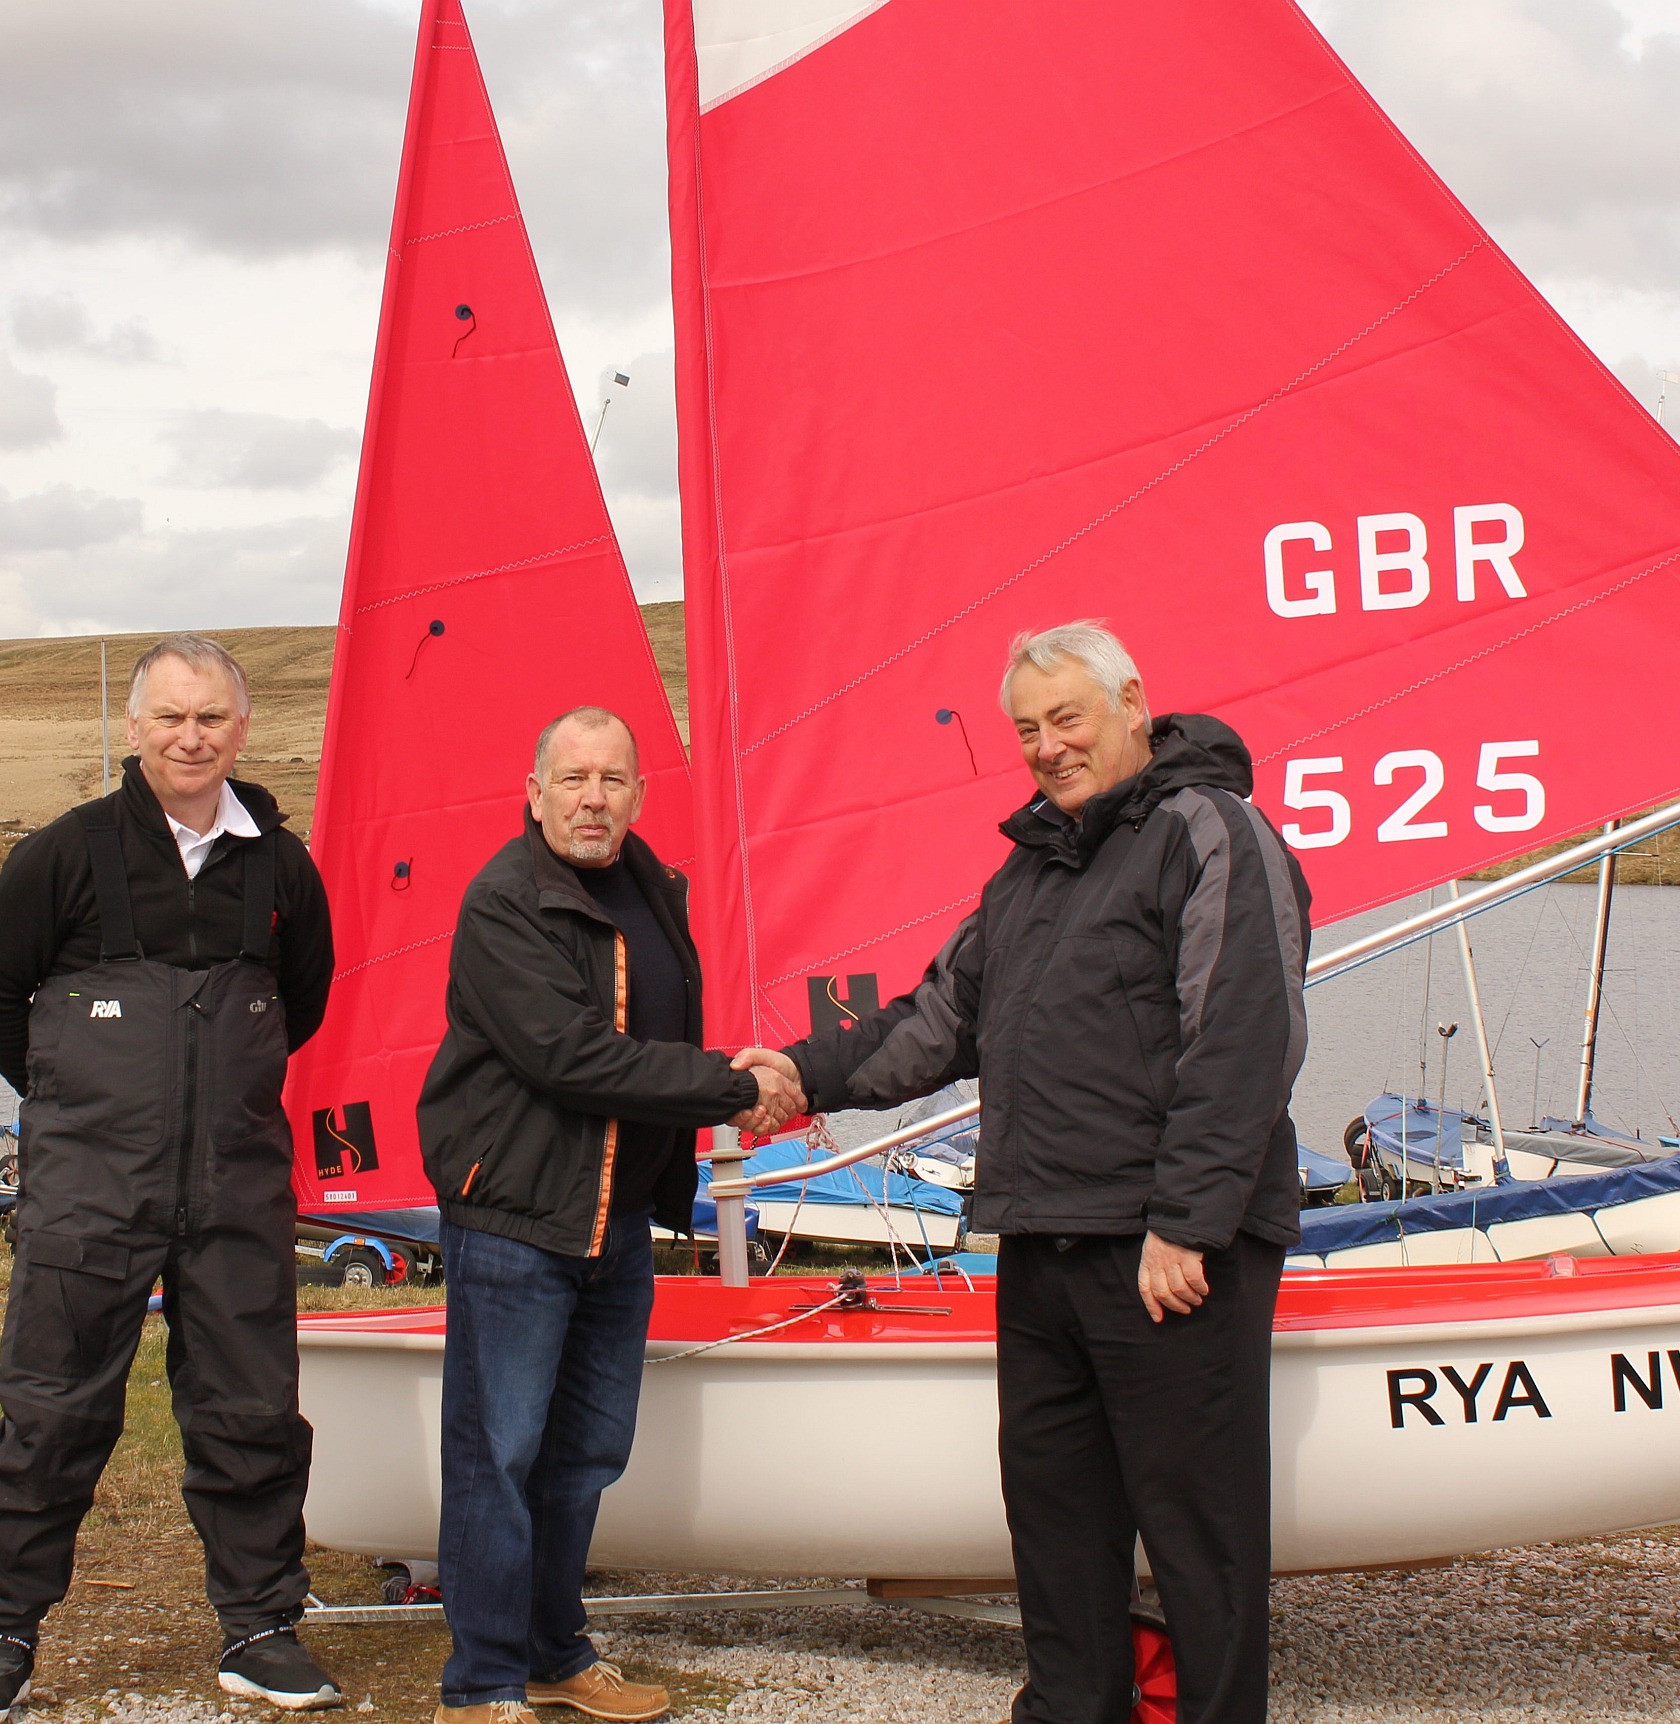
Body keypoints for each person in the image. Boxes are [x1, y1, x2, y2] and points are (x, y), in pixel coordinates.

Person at [737, 622, 1310, 1724]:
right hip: (1042, 1237)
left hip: (1166, 1253)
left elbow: (1246, 1035)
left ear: (1133, 703)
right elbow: (934, 1023)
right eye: (1027, 728)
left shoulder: (1213, 829)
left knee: (1198, 1531)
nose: (1047, 746)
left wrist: (1187, 1223)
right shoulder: (1032, 866)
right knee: (1055, 1523)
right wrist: (798, 1075)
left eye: (1067, 718)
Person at [0, 634, 343, 1719]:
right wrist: (82, 1102)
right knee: (51, 1409)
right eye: (169, 716)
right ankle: (0, 1632)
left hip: (235, 1189)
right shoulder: (62, 855)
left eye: (210, 717)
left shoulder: (280, 866)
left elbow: (301, 1000)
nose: (190, 736)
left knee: (252, 1408)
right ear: (132, 726)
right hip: (89, 1191)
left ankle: (260, 1626)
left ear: (242, 729)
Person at [416, 706, 803, 1724]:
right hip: (516, 1216)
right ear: (535, 788)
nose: (594, 798)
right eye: (574, 778)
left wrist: (740, 1082)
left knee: (585, 1451)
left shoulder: (652, 887)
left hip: (615, 1224)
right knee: (497, 1453)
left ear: (638, 793)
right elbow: (568, 1055)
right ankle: (484, 1681)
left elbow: (659, 1026)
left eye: (614, 780)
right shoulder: (503, 899)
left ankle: (555, 1651)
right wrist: (734, 1084)